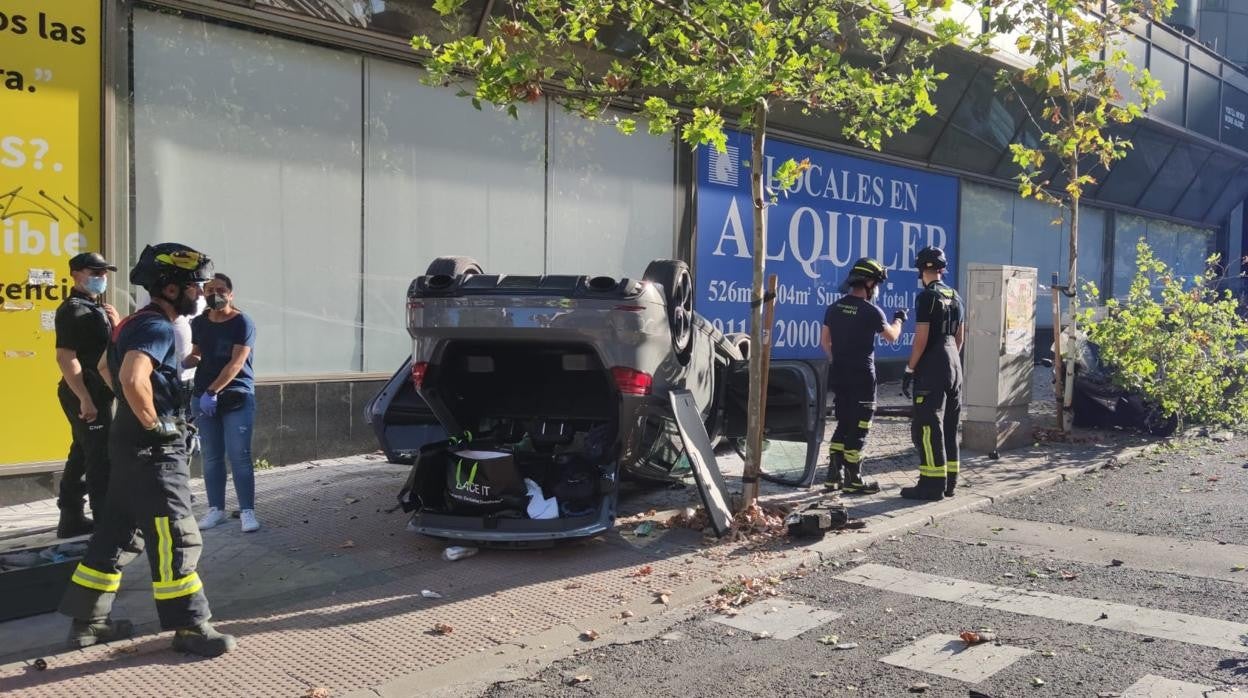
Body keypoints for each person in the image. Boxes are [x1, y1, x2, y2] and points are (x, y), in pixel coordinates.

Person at [59, 242, 237, 658]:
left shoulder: (129, 322)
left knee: (118, 535)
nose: (201, 294)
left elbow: (105, 368)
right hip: (153, 449)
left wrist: (134, 416)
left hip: (125, 444)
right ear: (171, 289)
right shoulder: (156, 326)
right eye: (194, 286)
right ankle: (190, 627)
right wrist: (155, 424)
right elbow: (131, 376)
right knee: (175, 533)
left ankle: (88, 625)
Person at [821, 257, 906, 494]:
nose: (876, 289)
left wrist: (837, 359)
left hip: (839, 374)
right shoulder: (872, 311)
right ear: (869, 283)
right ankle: (854, 478)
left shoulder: (834, 308)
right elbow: (891, 337)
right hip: (863, 377)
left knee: (843, 422)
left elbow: (824, 342)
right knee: (860, 425)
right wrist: (899, 319)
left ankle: (833, 476)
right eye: (876, 284)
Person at [53, 252, 121, 538]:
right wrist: (84, 397)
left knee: (82, 451)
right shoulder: (73, 310)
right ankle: (104, 519)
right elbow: (65, 357)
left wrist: (117, 323)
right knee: (99, 456)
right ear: (76, 274)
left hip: (100, 391)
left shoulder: (95, 307)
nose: (101, 278)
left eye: (104, 273)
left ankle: (71, 516)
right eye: (94, 272)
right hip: (86, 392)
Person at [186, 273, 259, 533]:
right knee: (212, 457)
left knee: (240, 455)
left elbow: (237, 362)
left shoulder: (242, 322)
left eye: (220, 289)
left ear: (231, 293)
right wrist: (179, 364)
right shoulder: (199, 322)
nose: (214, 294)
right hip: (204, 397)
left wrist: (213, 390)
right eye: (209, 289)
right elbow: (197, 354)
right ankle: (215, 509)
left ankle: (247, 511)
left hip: (236, 396)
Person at [900, 246, 965, 501]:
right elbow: (960, 337)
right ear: (941, 268)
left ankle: (931, 484)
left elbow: (922, 339)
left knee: (927, 423)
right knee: (950, 424)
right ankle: (950, 482)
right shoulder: (956, 295)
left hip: (933, 362)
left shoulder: (927, 297)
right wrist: (951, 363)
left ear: (922, 269)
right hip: (953, 362)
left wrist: (910, 368)